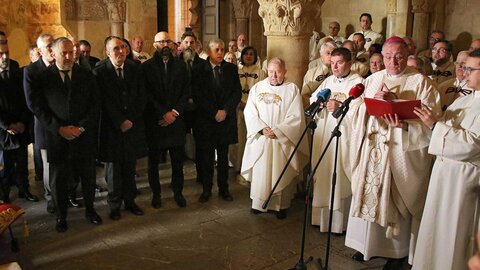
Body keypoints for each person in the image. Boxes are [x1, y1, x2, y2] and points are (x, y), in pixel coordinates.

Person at [345, 36, 440, 269]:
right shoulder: (373, 79)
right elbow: (356, 110)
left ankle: (395, 253)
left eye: (398, 57)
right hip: (373, 147)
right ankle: (368, 247)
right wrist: (370, 106)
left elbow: (432, 121)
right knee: (370, 193)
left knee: (395, 199)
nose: (393, 62)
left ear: (406, 56)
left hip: (400, 151)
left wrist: (404, 122)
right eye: (388, 57)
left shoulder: (421, 82)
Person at [411, 48, 480, 270]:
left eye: (470, 68)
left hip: (464, 182)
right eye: (463, 67)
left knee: (456, 236)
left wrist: (435, 125)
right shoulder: (463, 100)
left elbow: (471, 144)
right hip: (445, 176)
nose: (463, 72)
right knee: (437, 233)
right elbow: (440, 131)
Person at [31, 37, 102, 232]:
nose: (70, 56)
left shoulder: (86, 75)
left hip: (83, 136)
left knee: (88, 177)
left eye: (72, 52)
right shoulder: (43, 78)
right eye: (64, 53)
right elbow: (39, 108)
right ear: (53, 54)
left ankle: (90, 210)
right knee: (59, 181)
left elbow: (95, 104)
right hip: (57, 138)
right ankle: (61, 216)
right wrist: (59, 129)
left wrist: (81, 127)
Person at [241, 57, 308, 219]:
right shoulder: (258, 88)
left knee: (280, 170)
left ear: (284, 72)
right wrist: (261, 129)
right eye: (271, 72)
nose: (274, 76)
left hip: (281, 140)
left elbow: (295, 116)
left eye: (278, 72)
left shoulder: (291, 89)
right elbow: (249, 112)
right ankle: (258, 204)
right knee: (261, 172)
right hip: (262, 138)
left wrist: (278, 130)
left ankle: (280, 206)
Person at [310, 47, 363, 231]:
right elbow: (312, 99)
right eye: (332, 63)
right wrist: (320, 103)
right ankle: (322, 221)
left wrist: (340, 105)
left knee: (340, 176)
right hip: (326, 136)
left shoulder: (358, 83)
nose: (335, 67)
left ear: (349, 63)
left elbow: (360, 110)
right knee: (324, 172)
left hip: (344, 138)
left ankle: (340, 225)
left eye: (339, 63)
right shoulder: (328, 81)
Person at [93, 36, 146, 220]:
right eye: (116, 48)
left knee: (130, 165)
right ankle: (114, 205)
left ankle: (130, 201)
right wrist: (119, 121)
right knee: (113, 170)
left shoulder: (135, 68)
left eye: (123, 47)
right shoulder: (100, 72)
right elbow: (102, 101)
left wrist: (130, 119)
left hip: (132, 126)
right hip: (112, 128)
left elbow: (142, 96)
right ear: (107, 52)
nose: (121, 51)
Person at [192, 38, 241, 203]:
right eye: (216, 50)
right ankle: (206, 190)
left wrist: (225, 110)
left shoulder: (231, 69)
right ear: (209, 51)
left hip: (225, 120)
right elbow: (198, 95)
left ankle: (224, 189)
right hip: (207, 120)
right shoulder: (199, 69)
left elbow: (236, 93)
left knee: (222, 157)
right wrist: (214, 112)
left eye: (222, 49)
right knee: (206, 158)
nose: (220, 53)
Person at [143, 31, 188, 208]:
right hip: (156, 121)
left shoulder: (181, 66)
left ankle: (178, 192)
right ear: (154, 45)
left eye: (167, 41)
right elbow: (146, 94)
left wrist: (174, 112)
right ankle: (156, 194)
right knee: (153, 162)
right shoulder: (146, 67)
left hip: (176, 120)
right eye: (161, 42)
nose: (165, 45)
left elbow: (186, 91)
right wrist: (163, 113)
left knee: (178, 161)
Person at [0, 38, 38, 203]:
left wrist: (23, 122)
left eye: (6, 53)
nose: (4, 57)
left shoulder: (16, 68)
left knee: (22, 163)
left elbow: (25, 98)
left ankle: (25, 190)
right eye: (0, 53)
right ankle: (4, 194)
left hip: (20, 125)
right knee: (5, 166)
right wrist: (6, 125)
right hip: (3, 129)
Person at [23, 33, 56, 213]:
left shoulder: (60, 67)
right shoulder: (31, 71)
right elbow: (32, 103)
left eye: (53, 44)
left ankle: (66, 194)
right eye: (48, 46)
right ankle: (51, 199)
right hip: (45, 127)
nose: (52, 49)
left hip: (63, 126)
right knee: (48, 166)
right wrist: (53, 123)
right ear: (40, 50)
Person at [230, 46, 266, 178]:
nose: (249, 56)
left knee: (252, 137)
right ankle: (238, 165)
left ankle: (252, 165)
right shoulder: (236, 71)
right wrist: (239, 102)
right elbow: (232, 89)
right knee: (239, 137)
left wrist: (250, 105)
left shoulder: (261, 72)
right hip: (238, 107)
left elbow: (262, 91)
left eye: (251, 54)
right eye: (246, 54)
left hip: (254, 109)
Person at [302, 41, 336, 107]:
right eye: (328, 53)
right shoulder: (311, 73)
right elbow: (304, 95)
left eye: (333, 53)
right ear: (321, 54)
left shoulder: (340, 72)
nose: (330, 56)